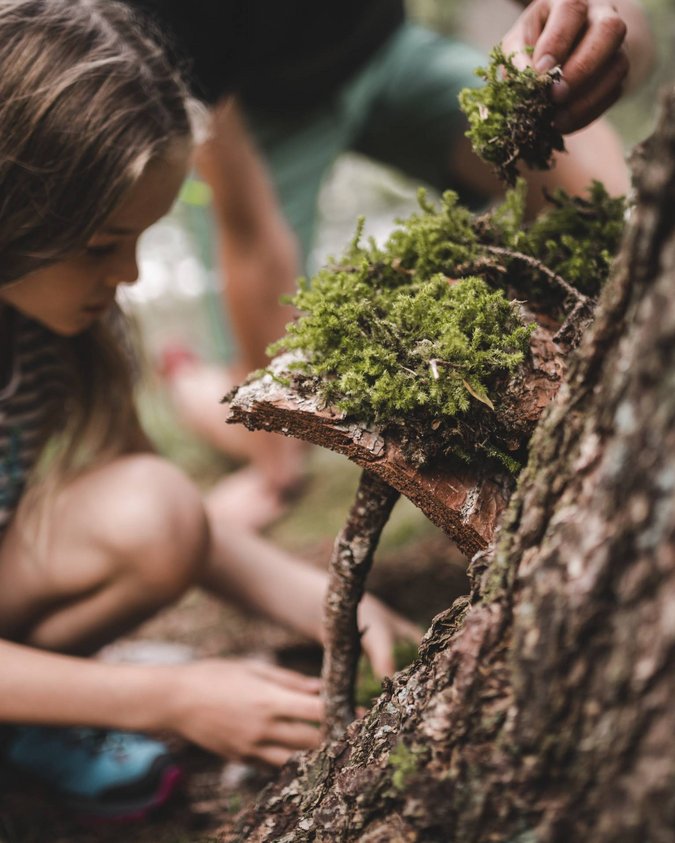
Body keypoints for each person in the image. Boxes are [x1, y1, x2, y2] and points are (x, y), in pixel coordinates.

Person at [0, 0, 420, 823]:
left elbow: (176, 522)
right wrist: (165, 697)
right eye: (99, 245)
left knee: (149, 504)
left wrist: (336, 605)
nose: (125, 275)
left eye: (141, 240)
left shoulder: (57, 327)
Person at [129, 0, 654, 528]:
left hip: (386, 50)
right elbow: (248, 233)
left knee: (611, 230)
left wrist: (589, 34)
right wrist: (274, 476)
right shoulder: (177, 18)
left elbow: (626, 33)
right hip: (255, 111)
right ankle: (183, 377)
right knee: (263, 416)